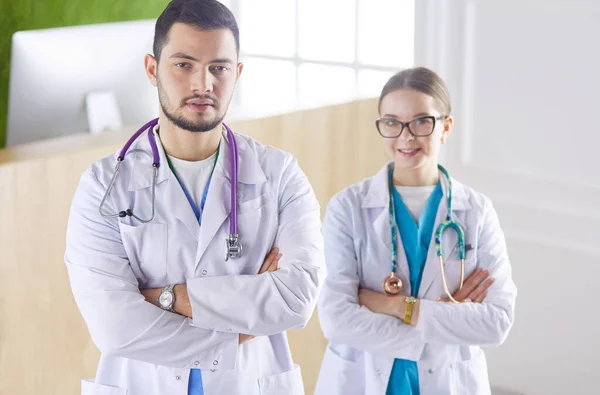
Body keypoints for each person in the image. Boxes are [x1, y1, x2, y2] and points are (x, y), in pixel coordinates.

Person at [64, 1, 325, 394]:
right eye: (184, 65)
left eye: (219, 67)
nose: (203, 84)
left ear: (237, 74)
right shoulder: (104, 185)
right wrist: (240, 328)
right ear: (152, 69)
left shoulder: (280, 175)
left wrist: (165, 299)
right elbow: (115, 328)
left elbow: (297, 298)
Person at [314, 67, 517, 395]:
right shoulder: (348, 207)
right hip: (362, 379)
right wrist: (445, 322)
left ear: (445, 127)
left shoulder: (476, 211)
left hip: (449, 381)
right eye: (392, 123)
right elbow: (336, 319)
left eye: (422, 121)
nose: (406, 137)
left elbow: (496, 323)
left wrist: (399, 306)